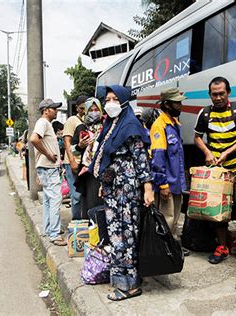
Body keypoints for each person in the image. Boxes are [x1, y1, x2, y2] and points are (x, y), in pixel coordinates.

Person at [89, 85, 154, 301]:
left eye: (115, 99)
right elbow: (107, 157)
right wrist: (103, 184)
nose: (110, 103)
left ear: (125, 101)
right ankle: (125, 279)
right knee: (116, 235)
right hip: (113, 187)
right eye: (108, 99)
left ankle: (130, 285)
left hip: (126, 189)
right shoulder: (110, 125)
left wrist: (147, 187)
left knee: (126, 236)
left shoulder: (130, 125)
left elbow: (141, 158)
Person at [193, 76, 236, 265]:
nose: (218, 97)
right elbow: (197, 137)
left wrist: (227, 152)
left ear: (228, 93)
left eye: (221, 93)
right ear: (210, 95)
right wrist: (207, 152)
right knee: (217, 211)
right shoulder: (204, 114)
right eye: (214, 94)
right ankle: (222, 247)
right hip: (218, 171)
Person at [150, 87, 190, 257]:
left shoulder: (174, 124)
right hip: (167, 183)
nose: (180, 106)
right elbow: (157, 159)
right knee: (166, 219)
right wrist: (163, 185)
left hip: (176, 183)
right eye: (177, 103)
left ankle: (173, 249)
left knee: (174, 220)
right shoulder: (159, 126)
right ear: (167, 105)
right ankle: (164, 251)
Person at [29, 98, 67, 246]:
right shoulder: (43, 122)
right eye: (54, 109)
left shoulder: (45, 124)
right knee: (55, 200)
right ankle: (55, 234)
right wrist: (48, 155)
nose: (56, 111)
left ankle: (48, 229)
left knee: (48, 200)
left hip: (46, 168)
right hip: (48, 167)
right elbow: (33, 139)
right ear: (46, 111)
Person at [72, 97, 104, 219]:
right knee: (90, 203)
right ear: (86, 111)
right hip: (87, 172)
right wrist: (80, 146)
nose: (94, 112)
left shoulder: (106, 127)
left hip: (103, 170)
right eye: (91, 110)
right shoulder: (81, 128)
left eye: (96, 109)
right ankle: (91, 233)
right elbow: (72, 150)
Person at [62, 95, 87, 220]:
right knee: (76, 195)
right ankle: (76, 223)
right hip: (72, 162)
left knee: (84, 195)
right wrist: (72, 161)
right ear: (77, 108)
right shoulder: (72, 120)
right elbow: (67, 141)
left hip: (84, 163)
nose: (84, 110)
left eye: (85, 108)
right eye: (82, 108)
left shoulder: (87, 121)